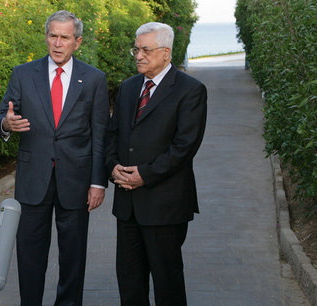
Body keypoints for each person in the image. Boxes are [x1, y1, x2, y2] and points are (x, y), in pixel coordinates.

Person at [0, 10, 110, 306]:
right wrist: (6, 124)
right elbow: (1, 115)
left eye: (65, 37)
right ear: (46, 37)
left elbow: (100, 134)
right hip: (34, 182)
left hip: (76, 182)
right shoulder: (23, 74)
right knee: (30, 254)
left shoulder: (94, 79)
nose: (57, 43)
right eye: (52, 36)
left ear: (77, 41)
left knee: (73, 257)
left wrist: (98, 182)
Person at [105, 22, 207, 305]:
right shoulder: (127, 89)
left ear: (165, 52)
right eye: (136, 49)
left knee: (168, 285)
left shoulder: (190, 90)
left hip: (165, 206)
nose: (138, 55)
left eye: (145, 50)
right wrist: (112, 166)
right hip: (127, 206)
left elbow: (185, 147)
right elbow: (113, 134)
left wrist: (145, 175)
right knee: (129, 284)